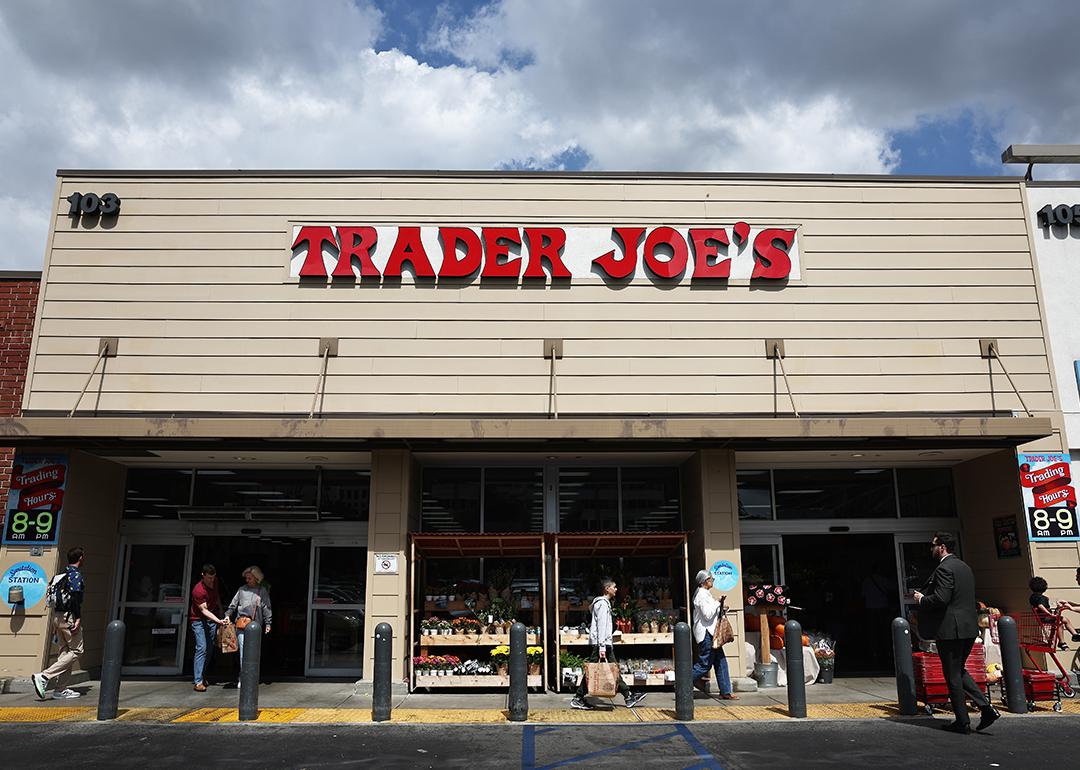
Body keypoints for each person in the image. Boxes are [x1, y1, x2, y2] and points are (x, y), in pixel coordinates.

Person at [913, 533, 999, 734]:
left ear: (942, 547)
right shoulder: (964, 567)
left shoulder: (944, 568)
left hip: (951, 629)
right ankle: (985, 709)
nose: (931, 549)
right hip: (968, 628)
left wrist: (921, 599)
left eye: (933, 545)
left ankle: (963, 721)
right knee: (958, 670)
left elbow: (942, 598)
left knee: (952, 675)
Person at [570, 578, 647, 710]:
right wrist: (602, 646)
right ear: (607, 589)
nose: (616, 589)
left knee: (611, 670)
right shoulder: (602, 604)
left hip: (604, 643)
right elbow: (601, 626)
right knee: (594, 671)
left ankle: (628, 696)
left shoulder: (604, 603)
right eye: (614, 587)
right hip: (601, 644)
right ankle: (578, 697)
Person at [31, 547, 86, 700]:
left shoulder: (59, 576)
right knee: (77, 651)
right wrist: (78, 618)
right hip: (69, 617)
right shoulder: (75, 575)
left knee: (65, 653)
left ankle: (60, 689)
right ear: (81, 558)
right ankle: (44, 676)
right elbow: (75, 598)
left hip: (57, 616)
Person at [691, 570, 736, 699]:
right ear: (705, 581)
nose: (713, 581)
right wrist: (718, 602)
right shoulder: (701, 595)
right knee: (705, 664)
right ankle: (683, 682)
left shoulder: (706, 594)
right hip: (706, 634)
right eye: (711, 579)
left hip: (711, 633)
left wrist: (721, 607)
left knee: (720, 661)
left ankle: (726, 691)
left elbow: (711, 612)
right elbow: (707, 615)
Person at [226, 565, 273, 678]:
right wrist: (227, 615)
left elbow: (266, 607)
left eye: (250, 578)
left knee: (253, 652)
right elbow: (233, 603)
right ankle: (243, 676)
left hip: (255, 625)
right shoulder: (241, 589)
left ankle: (251, 676)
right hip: (242, 623)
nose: (247, 580)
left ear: (257, 578)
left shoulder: (262, 591)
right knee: (243, 651)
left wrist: (268, 623)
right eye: (246, 578)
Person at [190, 564, 228, 691]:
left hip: (211, 619)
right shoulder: (198, 590)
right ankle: (198, 682)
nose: (212, 580)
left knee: (210, 648)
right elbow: (204, 610)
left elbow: (216, 596)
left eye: (213, 577)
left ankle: (202, 674)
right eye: (209, 578)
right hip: (198, 620)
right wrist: (219, 620)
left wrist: (221, 610)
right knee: (202, 647)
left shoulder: (215, 582)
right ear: (203, 575)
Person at [1029, 576, 1080, 647]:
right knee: (1062, 621)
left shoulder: (1033, 597)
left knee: (1062, 621)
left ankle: (1070, 638)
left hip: (1043, 617)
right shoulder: (1041, 598)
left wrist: (1058, 604)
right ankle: (1071, 637)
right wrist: (1049, 613)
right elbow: (1040, 606)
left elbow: (1041, 604)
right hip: (1046, 617)